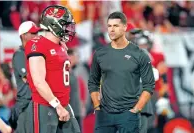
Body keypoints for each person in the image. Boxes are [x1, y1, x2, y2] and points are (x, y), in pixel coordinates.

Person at [88, 11, 155, 133]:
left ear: (124, 28)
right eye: (109, 26)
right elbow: (93, 82)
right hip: (107, 112)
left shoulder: (140, 54)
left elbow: (150, 83)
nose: (112, 30)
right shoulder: (101, 54)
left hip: (133, 109)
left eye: (116, 26)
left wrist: (136, 109)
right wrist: (98, 106)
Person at [24, 5, 80, 133]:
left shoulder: (60, 45)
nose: (69, 29)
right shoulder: (37, 45)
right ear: (54, 25)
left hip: (64, 104)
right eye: (65, 25)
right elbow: (38, 81)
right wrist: (57, 105)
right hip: (46, 106)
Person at [9, 21, 41, 131]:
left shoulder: (36, 53)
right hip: (25, 105)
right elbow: (29, 78)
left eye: (37, 33)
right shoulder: (19, 54)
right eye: (33, 33)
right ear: (23, 36)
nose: (36, 36)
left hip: (36, 105)